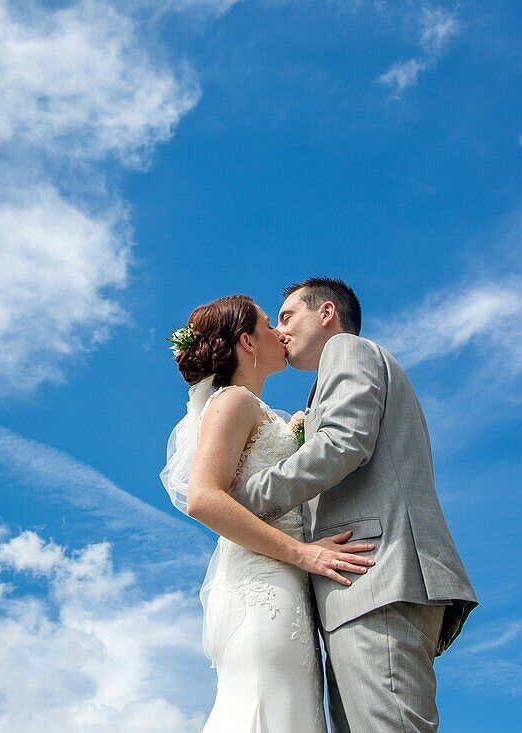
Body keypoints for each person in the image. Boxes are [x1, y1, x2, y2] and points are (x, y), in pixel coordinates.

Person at [234, 277, 479, 732]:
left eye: (287, 316)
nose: (280, 331)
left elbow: (344, 442)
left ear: (326, 313)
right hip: (356, 588)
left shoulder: (347, 350)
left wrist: (243, 499)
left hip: (375, 578)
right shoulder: (332, 376)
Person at [161, 293, 375, 732]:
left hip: (288, 589)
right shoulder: (232, 401)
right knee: (264, 707)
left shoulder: (257, 410)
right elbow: (204, 498)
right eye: (267, 323)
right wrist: (304, 553)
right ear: (247, 341)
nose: (280, 332)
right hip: (265, 585)